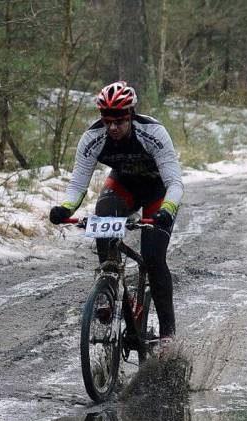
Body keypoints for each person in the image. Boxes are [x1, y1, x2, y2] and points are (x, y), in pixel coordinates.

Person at [49, 81, 183, 344]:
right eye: (107, 120)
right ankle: (108, 290)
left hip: (158, 192)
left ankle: (168, 336)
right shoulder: (93, 138)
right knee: (103, 218)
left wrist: (167, 210)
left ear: (131, 115)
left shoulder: (153, 132)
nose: (112, 127)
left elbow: (174, 183)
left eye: (119, 120)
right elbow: (78, 182)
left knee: (154, 259)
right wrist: (65, 207)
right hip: (123, 187)